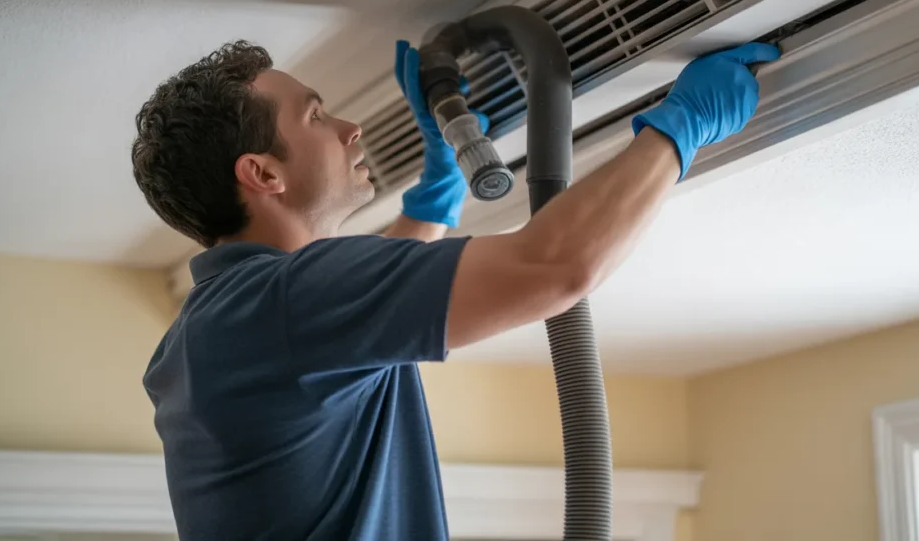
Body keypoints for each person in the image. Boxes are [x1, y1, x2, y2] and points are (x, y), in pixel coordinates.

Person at [132, 37, 779, 540]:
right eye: (316, 115)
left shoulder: (219, 325)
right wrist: (680, 126)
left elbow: (354, 317)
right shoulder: (283, 303)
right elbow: (555, 266)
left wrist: (440, 186)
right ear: (264, 173)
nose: (350, 128)